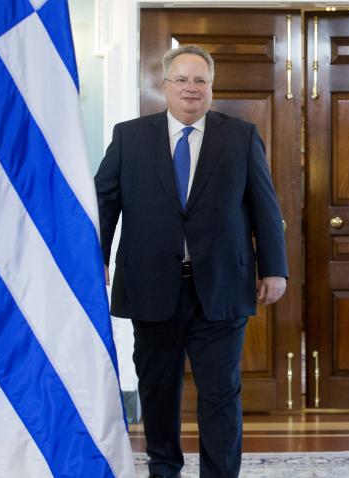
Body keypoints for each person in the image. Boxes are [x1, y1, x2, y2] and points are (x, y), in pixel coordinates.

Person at [95, 45, 288, 478]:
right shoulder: (129, 137)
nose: (191, 88)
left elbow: (264, 205)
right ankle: (164, 468)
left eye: (200, 80)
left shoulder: (240, 136)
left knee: (221, 392)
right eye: (181, 79)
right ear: (164, 86)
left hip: (221, 287)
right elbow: (104, 203)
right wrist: (95, 260)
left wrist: (274, 267)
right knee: (158, 388)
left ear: (211, 88)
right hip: (151, 286)